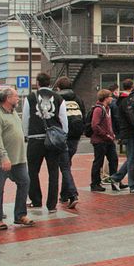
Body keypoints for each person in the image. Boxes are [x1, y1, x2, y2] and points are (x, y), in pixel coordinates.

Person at [0, 87, 34, 230]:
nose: (18, 99)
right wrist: (3, 157)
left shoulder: (13, 113)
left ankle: (20, 215)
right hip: (3, 161)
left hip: (18, 159)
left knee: (25, 182)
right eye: (16, 96)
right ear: (8, 99)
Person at [22, 72, 68, 214]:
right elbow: (63, 120)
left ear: (37, 83)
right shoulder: (59, 98)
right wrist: (63, 135)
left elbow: (26, 118)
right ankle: (52, 204)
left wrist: (26, 134)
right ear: (50, 83)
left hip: (35, 139)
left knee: (33, 171)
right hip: (53, 140)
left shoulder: (30, 98)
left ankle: (36, 200)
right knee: (53, 172)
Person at [54, 76, 81, 208]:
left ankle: (71, 194)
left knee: (64, 167)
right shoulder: (78, 98)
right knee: (66, 165)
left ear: (58, 87)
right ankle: (65, 194)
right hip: (75, 137)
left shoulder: (57, 99)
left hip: (61, 136)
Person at [109, 79, 134, 193]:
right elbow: (131, 118)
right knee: (132, 159)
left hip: (126, 132)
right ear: (132, 87)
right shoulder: (127, 101)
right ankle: (132, 184)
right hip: (130, 132)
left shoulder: (120, 101)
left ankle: (116, 178)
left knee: (132, 158)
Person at [89, 89, 119, 192]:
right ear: (106, 98)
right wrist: (106, 135)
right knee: (98, 162)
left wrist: (112, 134)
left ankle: (115, 181)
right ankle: (95, 183)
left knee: (114, 160)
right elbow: (95, 125)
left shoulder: (108, 109)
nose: (112, 98)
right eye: (110, 96)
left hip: (108, 140)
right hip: (100, 141)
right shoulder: (99, 109)